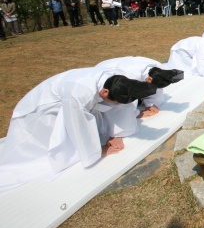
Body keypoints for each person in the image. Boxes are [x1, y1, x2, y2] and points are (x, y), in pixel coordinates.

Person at [0, 69, 157, 192]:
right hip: (39, 111)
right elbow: (77, 124)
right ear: (104, 93)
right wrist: (97, 150)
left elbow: (117, 107)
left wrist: (115, 134)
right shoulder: (79, 94)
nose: (116, 105)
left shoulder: (115, 82)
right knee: (40, 149)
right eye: (114, 102)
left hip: (69, 101)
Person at [96, 57, 184, 119]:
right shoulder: (129, 75)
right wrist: (137, 113)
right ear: (149, 79)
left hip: (122, 64)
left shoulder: (158, 70)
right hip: (107, 69)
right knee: (116, 101)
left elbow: (156, 88)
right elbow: (128, 94)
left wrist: (151, 104)